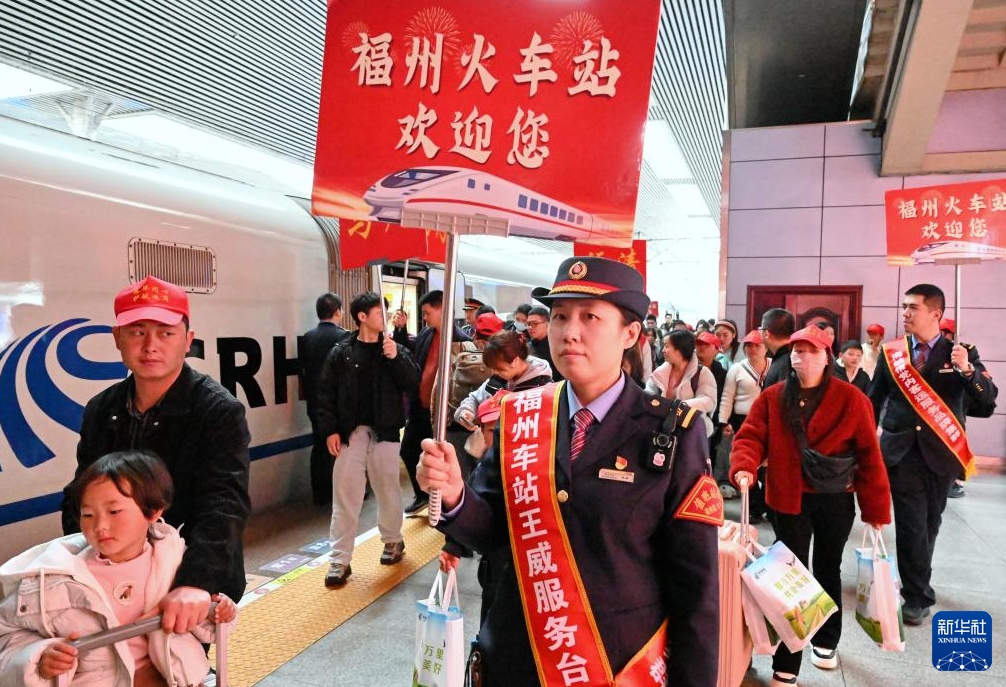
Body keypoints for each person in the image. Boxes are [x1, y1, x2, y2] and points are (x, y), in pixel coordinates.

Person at [418, 256, 720, 687]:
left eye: (590, 316)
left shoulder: (671, 431)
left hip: (614, 664)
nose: (569, 332)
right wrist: (453, 495)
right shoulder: (521, 415)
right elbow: (491, 529)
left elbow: (697, 589)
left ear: (630, 333)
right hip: (517, 654)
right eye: (560, 316)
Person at [62, 275, 250, 634]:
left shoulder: (217, 410)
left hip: (181, 577)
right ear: (117, 338)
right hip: (109, 575)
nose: (151, 346)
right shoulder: (101, 409)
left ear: (187, 341)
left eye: (166, 333)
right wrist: (80, 566)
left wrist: (196, 581)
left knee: (174, 668)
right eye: (137, 332)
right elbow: (80, 494)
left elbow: (225, 501)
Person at [730, 325, 891, 687]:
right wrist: (744, 466)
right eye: (797, 351)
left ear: (826, 356)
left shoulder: (851, 399)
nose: (803, 357)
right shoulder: (773, 397)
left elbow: (869, 456)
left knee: (828, 569)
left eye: (812, 351)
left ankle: (826, 639)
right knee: (791, 576)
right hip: (788, 498)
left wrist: (875, 511)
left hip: (834, 499)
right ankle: (787, 662)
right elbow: (751, 435)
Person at [3, 450, 237, 687]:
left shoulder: (175, 562)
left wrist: (217, 612)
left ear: (154, 511)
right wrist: (39, 656)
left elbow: (198, 625)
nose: (100, 526)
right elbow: (7, 637)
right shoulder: (51, 581)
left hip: (176, 679)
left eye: (114, 512)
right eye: (88, 514)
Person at [869, 284, 997, 626]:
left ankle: (917, 578)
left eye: (913, 307)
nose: (905, 314)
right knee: (912, 523)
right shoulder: (891, 354)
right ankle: (917, 595)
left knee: (930, 522)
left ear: (935, 315)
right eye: (904, 306)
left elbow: (987, 403)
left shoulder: (960, 353)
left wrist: (967, 371)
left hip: (942, 453)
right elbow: (872, 400)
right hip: (900, 451)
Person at [316, 292, 419, 587]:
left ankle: (392, 541)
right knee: (345, 494)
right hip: (351, 432)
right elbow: (325, 393)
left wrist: (396, 357)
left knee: (388, 489)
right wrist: (330, 430)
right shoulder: (341, 352)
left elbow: (412, 382)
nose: (383, 318)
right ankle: (339, 560)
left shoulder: (393, 349)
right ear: (362, 317)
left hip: (385, 430)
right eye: (378, 312)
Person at [393, 290, 472, 514]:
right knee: (408, 449)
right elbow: (409, 354)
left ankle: (446, 502)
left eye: (427, 313)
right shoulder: (427, 335)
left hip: (442, 413)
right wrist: (400, 330)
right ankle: (422, 495)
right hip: (420, 407)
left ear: (443, 309)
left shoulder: (461, 341)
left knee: (443, 460)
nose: (425, 317)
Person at [299, 292, 351, 506]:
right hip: (337, 403)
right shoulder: (343, 337)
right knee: (343, 449)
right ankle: (342, 494)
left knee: (319, 445)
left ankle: (320, 494)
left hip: (314, 401)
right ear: (338, 311)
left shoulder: (307, 337)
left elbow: (303, 371)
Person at [719, 330, 769, 518]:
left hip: (768, 421)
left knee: (768, 466)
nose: (752, 349)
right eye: (748, 345)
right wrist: (724, 421)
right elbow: (727, 395)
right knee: (748, 464)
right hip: (743, 420)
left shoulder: (774, 366)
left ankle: (769, 506)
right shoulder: (737, 369)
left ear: (766, 347)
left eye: (757, 345)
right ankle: (753, 508)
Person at [646, 329, 719, 438]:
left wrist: (677, 407)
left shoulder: (702, 373)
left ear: (680, 349)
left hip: (691, 433)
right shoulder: (661, 372)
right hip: (662, 431)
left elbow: (708, 400)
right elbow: (648, 393)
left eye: (666, 346)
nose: (663, 350)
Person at [760, 307, 796, 388]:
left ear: (766, 334)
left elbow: (784, 397)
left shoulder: (786, 361)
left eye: (761, 329)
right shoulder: (791, 356)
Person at [525, 305, 563, 381]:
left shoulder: (559, 345)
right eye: (528, 324)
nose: (530, 327)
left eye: (535, 324)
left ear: (548, 323)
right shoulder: (526, 347)